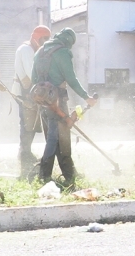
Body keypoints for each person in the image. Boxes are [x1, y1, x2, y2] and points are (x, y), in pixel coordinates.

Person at [31, 28, 97, 186]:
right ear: (69, 42)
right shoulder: (63, 52)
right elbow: (71, 78)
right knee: (57, 138)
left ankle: (69, 173)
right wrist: (86, 97)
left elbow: (34, 78)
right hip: (58, 101)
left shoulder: (40, 51)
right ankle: (44, 175)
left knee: (56, 137)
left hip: (42, 102)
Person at [11, 25, 51, 180]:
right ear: (36, 37)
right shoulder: (26, 50)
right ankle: (25, 153)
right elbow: (30, 72)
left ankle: (26, 152)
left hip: (30, 91)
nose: (45, 41)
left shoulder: (35, 49)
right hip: (24, 91)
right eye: (43, 39)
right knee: (27, 124)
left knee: (32, 124)